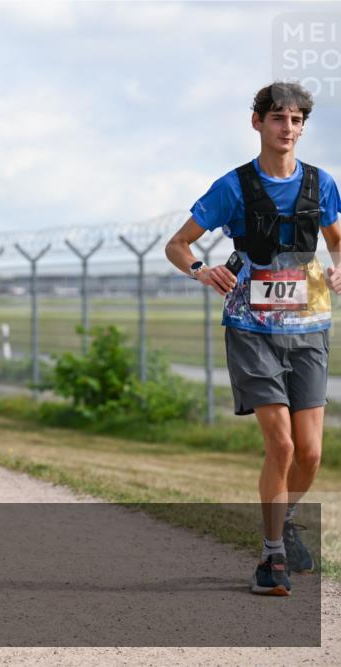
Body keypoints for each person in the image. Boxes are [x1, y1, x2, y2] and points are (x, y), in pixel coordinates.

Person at [165, 82, 341, 596]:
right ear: (258, 123)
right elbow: (178, 245)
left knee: (310, 453)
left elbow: (336, 242)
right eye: (278, 119)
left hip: (309, 328)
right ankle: (271, 559)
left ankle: (282, 521)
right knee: (281, 444)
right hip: (252, 329)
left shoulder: (322, 184)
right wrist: (200, 269)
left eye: (296, 121)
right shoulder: (234, 187)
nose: (288, 129)